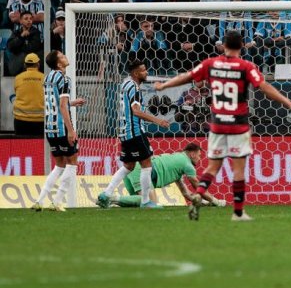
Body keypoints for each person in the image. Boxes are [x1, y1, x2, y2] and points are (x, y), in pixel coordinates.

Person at [154, 31, 291, 222]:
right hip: (238, 126)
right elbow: (265, 88)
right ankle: (239, 213)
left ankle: (199, 194)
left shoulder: (211, 64)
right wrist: (289, 103)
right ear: (242, 46)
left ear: (223, 46)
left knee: (212, 168)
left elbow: (187, 76)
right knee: (239, 170)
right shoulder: (246, 66)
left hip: (217, 125)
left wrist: (163, 86)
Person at [96, 60, 170, 210]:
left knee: (129, 165)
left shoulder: (125, 84)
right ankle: (145, 202)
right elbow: (136, 111)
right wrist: (158, 121)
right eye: (143, 70)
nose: (146, 72)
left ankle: (106, 194)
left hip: (123, 131)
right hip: (135, 132)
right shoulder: (135, 88)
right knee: (146, 164)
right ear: (136, 73)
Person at [31, 50, 86, 211]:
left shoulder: (47, 78)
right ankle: (57, 201)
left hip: (49, 127)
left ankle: (40, 201)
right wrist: (70, 130)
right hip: (62, 128)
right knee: (73, 162)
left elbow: (54, 103)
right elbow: (62, 106)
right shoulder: (64, 79)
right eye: (62, 56)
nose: (65, 57)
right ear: (59, 63)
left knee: (60, 164)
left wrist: (72, 102)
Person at [109, 143, 226, 208]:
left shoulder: (178, 163)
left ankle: (113, 201)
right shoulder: (187, 164)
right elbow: (198, 187)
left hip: (134, 169)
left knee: (139, 203)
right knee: (149, 204)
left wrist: (205, 203)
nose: (199, 159)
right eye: (199, 155)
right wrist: (216, 201)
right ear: (192, 154)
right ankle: (112, 198)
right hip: (142, 170)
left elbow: (186, 193)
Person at [13, 53, 44, 136]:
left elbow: (17, 93)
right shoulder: (45, 78)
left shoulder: (18, 78)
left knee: (21, 146)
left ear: (24, 65)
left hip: (21, 120)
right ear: (38, 64)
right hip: (40, 120)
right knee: (39, 147)